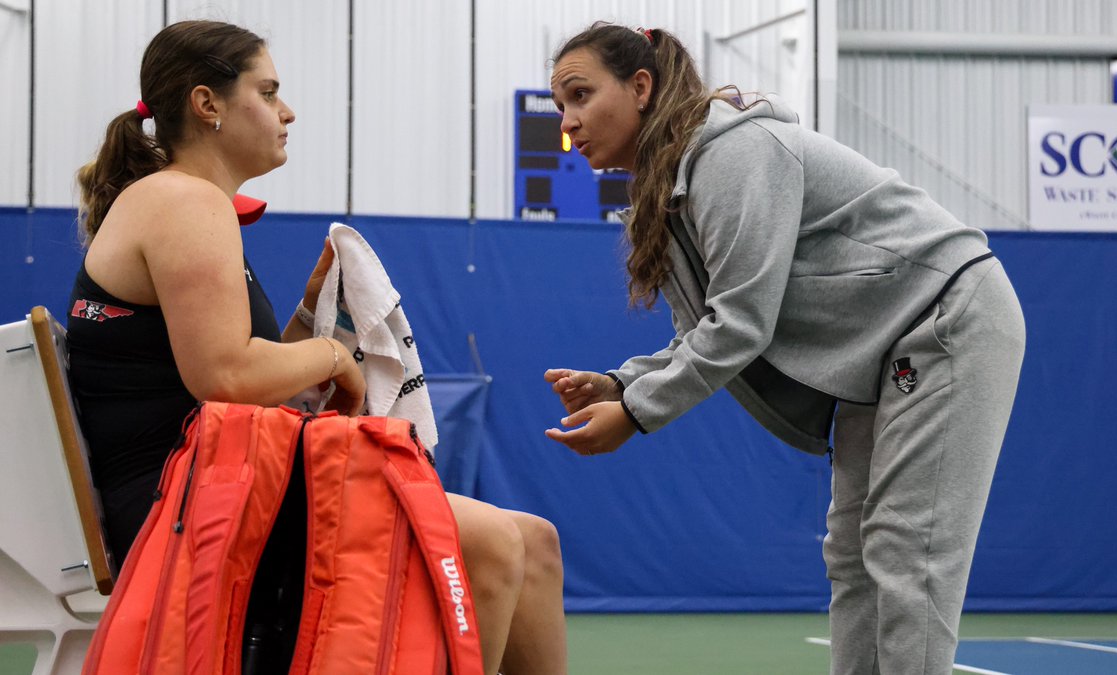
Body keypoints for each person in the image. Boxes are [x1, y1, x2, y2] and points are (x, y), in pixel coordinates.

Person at [68, 20, 565, 675]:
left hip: (216, 485)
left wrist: (306, 320)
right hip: (186, 505)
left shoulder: (178, 201)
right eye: (268, 91)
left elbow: (232, 380)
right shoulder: (184, 201)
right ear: (207, 104)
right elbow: (222, 375)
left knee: (537, 541)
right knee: (494, 542)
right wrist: (333, 357)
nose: (287, 111)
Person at [542, 22, 1025, 674]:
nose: (568, 122)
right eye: (560, 106)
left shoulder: (730, 153)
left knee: (909, 546)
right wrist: (622, 383)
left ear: (641, 87)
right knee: (851, 552)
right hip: (879, 346)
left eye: (580, 95)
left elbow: (741, 324)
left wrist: (635, 412)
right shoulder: (674, 183)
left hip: (944, 315)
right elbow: (704, 329)